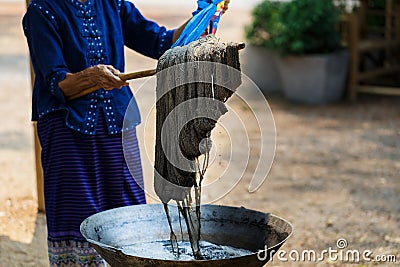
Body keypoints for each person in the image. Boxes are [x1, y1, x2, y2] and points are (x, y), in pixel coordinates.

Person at [22, 0, 230, 266]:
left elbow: (162, 43)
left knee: (129, 211)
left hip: (117, 124)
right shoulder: (42, 11)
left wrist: (203, 17)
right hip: (67, 131)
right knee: (77, 215)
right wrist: (91, 76)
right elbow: (56, 82)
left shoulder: (114, 4)